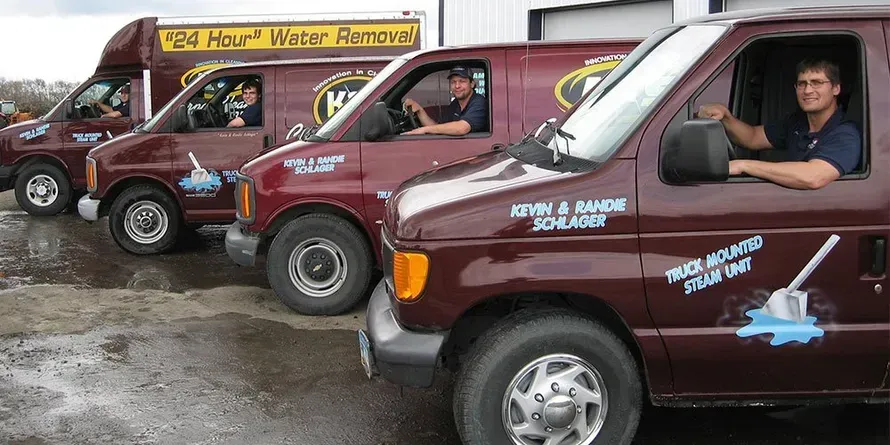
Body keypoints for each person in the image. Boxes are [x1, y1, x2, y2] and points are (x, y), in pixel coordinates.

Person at [698, 58, 861, 190]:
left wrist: (744, 165)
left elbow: (813, 176)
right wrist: (726, 117)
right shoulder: (797, 122)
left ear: (836, 89)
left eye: (816, 82)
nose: (807, 90)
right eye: (802, 84)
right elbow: (753, 138)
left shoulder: (845, 133)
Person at [402, 66, 488, 136]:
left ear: (472, 84)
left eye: (462, 81)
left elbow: (462, 128)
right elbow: (437, 128)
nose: (457, 86)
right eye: (453, 82)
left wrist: (424, 130)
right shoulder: (455, 104)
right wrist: (420, 110)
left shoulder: (479, 102)